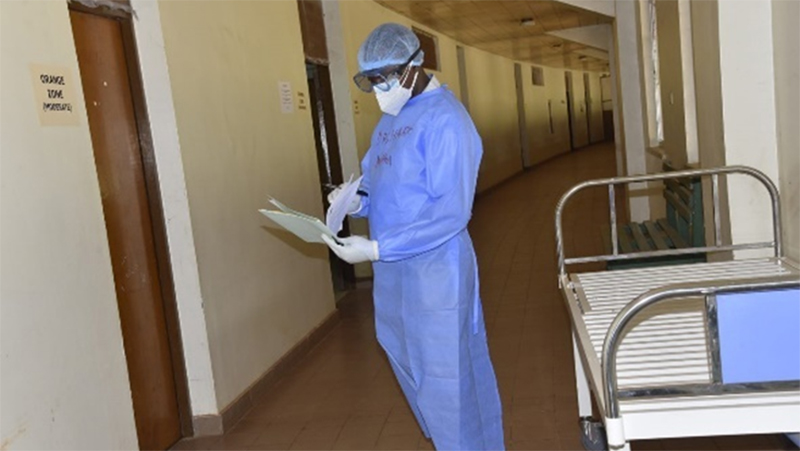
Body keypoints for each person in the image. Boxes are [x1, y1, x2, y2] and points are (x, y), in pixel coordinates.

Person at [321, 23, 504, 451]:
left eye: (385, 76)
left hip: (436, 272)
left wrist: (379, 248)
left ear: (414, 66)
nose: (380, 87)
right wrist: (354, 202)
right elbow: (381, 185)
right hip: (394, 277)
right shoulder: (390, 123)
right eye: (372, 80)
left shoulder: (448, 121)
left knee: (450, 379)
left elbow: (451, 212)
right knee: (411, 368)